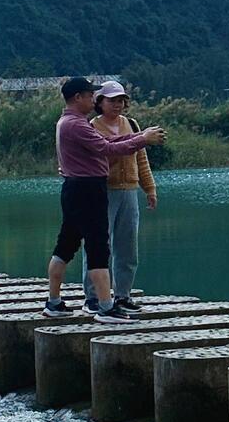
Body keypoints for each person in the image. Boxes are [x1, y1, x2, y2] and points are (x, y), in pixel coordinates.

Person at [47, 76, 164, 318]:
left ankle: (54, 302)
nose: (93, 100)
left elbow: (108, 142)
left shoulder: (69, 122)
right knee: (98, 247)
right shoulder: (78, 125)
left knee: (66, 246)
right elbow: (107, 148)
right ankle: (103, 306)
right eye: (91, 96)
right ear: (78, 97)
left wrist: (137, 137)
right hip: (88, 190)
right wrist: (142, 139)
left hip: (77, 189)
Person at [82, 78, 157, 312]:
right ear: (100, 102)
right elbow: (98, 159)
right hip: (103, 191)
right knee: (98, 245)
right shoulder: (92, 128)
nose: (118, 105)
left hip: (129, 191)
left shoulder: (132, 124)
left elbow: (141, 159)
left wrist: (150, 188)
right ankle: (93, 297)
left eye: (122, 100)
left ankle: (123, 295)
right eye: (112, 100)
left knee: (127, 246)